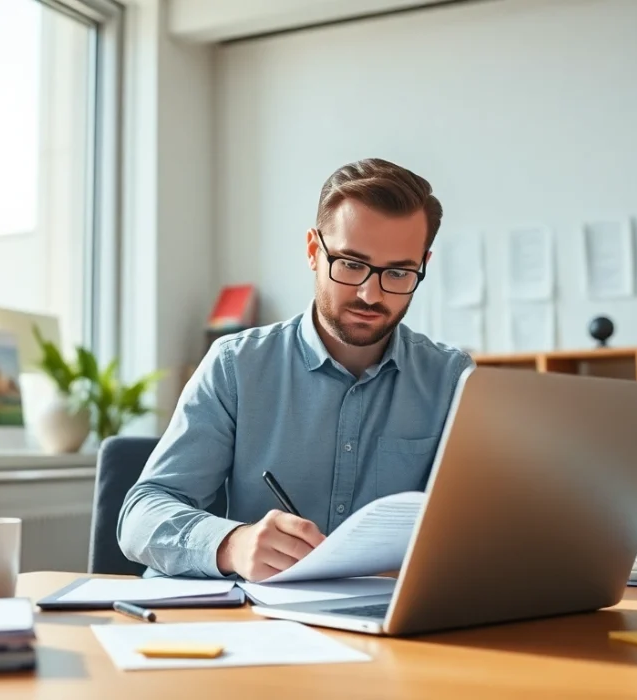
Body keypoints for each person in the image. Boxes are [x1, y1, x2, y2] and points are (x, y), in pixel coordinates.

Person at [117, 158, 475, 581]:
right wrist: (234, 544)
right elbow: (141, 515)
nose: (369, 293)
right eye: (351, 264)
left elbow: (476, 526)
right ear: (313, 251)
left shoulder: (453, 380)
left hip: (392, 627)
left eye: (397, 272)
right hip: (260, 627)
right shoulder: (237, 366)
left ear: (423, 266)